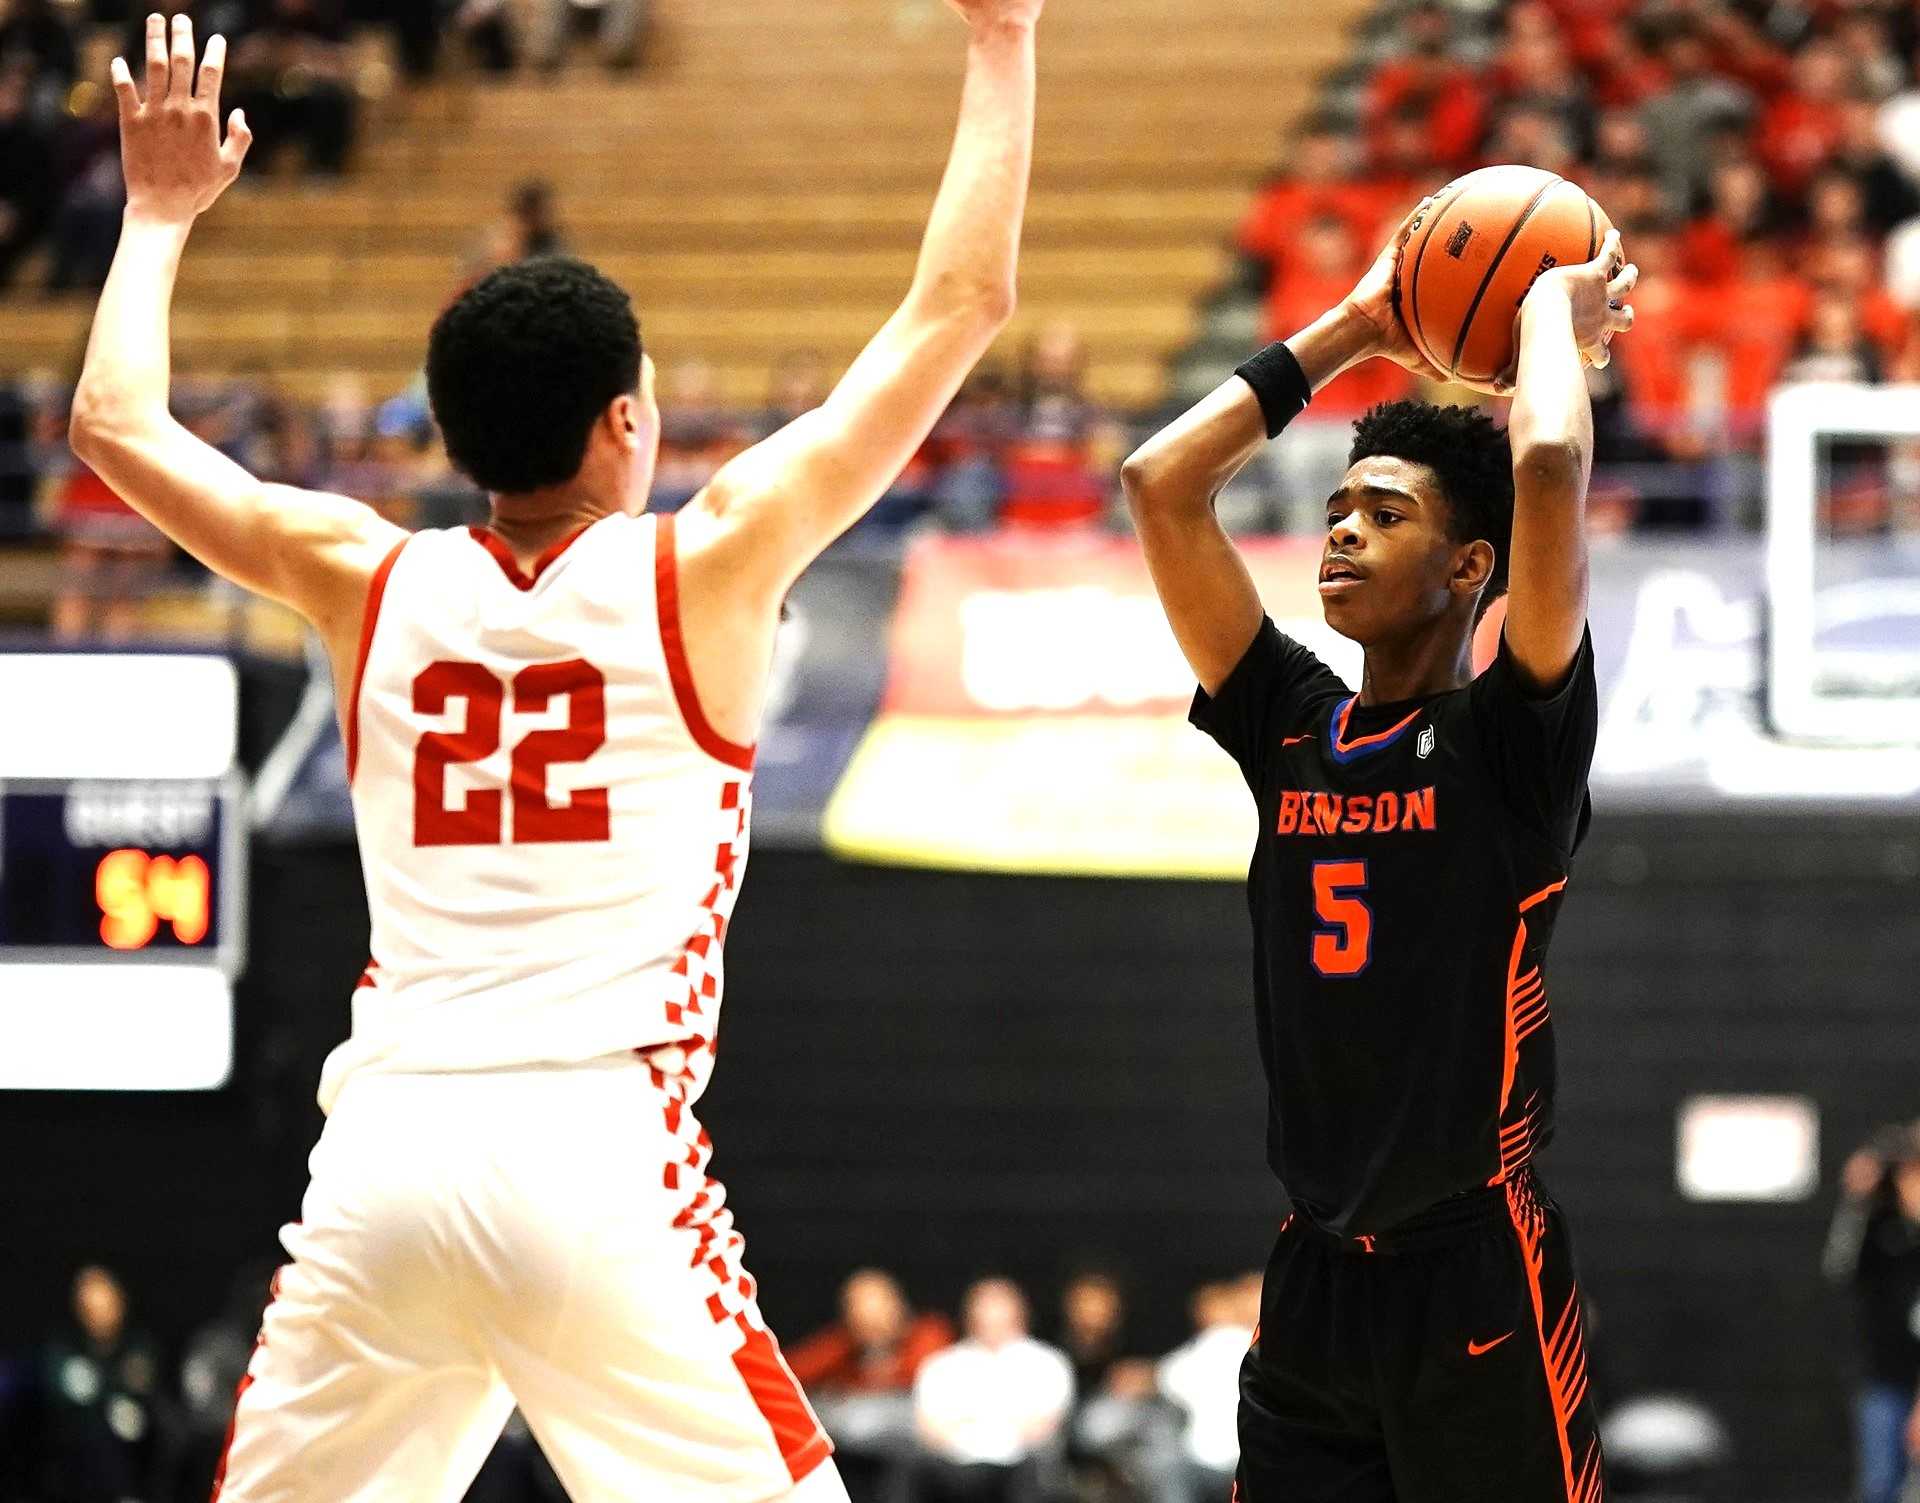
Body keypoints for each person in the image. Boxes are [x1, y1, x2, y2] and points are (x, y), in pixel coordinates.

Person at [68, 2, 1040, 1497]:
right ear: (626, 421)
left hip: (387, 1156)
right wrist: (1002, 36)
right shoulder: (707, 561)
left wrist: (154, 216)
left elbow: (112, 427)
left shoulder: (361, 573)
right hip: (595, 1156)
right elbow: (960, 303)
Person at [1121, 191, 1636, 1500]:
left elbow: (1548, 465)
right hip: (1313, 1277)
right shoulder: (1293, 723)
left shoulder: (1509, 743)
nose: (1343, 527)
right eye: (1340, 507)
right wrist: (1356, 322)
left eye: (1387, 513)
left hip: (1475, 1275)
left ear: (1469, 569)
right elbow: (1160, 485)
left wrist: (1547, 319)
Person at [1823, 1123, 1920, 1503]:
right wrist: (1857, 1199)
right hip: (1886, 1375)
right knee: (1881, 1483)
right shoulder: (1881, 1230)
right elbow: (1840, 1267)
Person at [912, 1279, 1074, 1503]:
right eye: (984, 1309)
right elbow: (931, 1431)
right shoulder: (940, 1365)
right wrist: (1000, 1425)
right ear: (969, 1316)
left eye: (1000, 1310)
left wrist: (972, 1425)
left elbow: (1042, 1428)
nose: (992, 1318)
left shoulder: (1049, 1363)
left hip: (1023, 1467)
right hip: (954, 1468)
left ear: (1020, 1315)